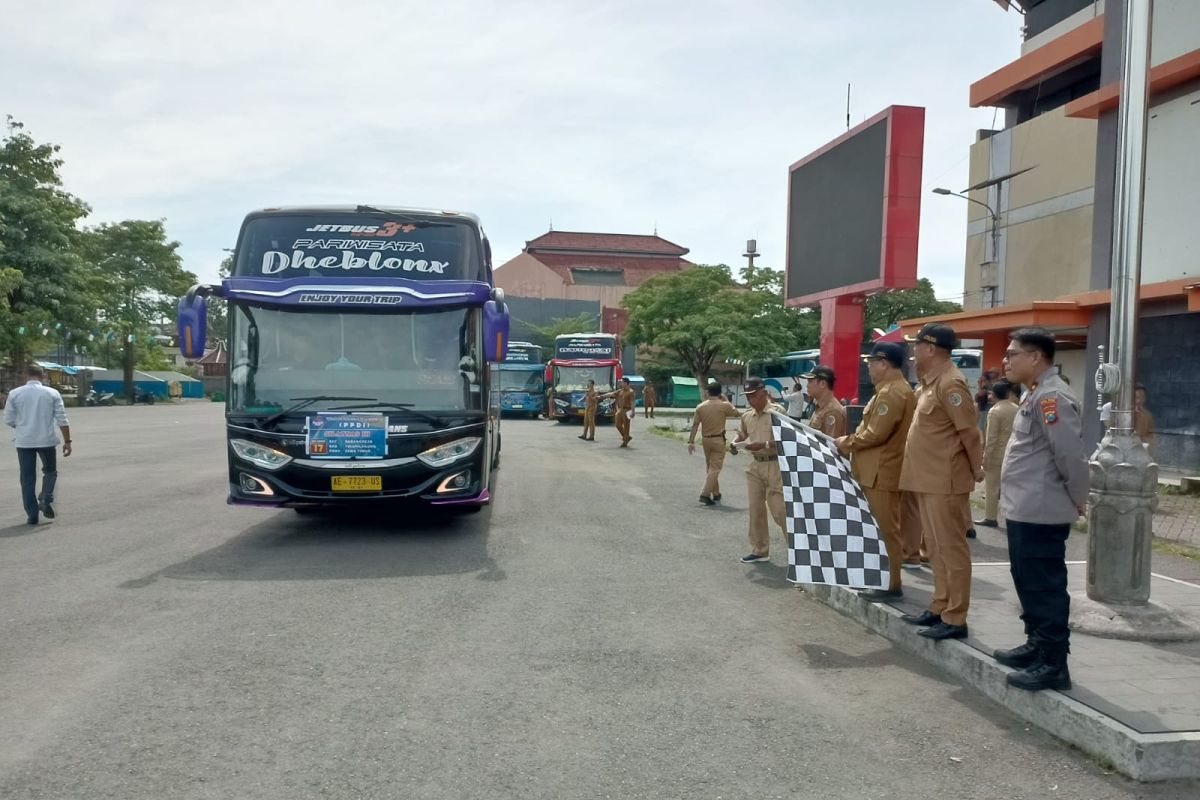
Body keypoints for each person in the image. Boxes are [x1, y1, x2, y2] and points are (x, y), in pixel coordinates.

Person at [994, 327, 1088, 691]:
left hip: (1042, 508)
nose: (1006, 360)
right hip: (1025, 507)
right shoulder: (1036, 394)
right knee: (1027, 581)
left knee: (1044, 585)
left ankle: (1053, 663)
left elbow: (1069, 455)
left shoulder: (1052, 398)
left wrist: (1080, 496)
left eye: (1012, 353)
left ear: (1035, 357)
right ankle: (1036, 644)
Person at [898, 324, 983, 640]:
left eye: (916, 345)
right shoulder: (931, 384)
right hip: (927, 479)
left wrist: (977, 470)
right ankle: (940, 606)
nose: (913, 351)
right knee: (934, 548)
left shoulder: (950, 385)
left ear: (930, 348)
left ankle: (956, 617)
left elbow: (970, 434)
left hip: (944, 481)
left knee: (951, 550)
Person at [835, 342, 916, 600]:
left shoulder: (891, 393)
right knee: (879, 528)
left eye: (871, 363)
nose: (868, 368)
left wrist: (845, 443)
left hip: (883, 472)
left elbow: (875, 434)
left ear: (883, 363)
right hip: (877, 470)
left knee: (886, 529)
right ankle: (881, 577)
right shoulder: (890, 390)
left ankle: (891, 583)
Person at [4, 364, 73, 525]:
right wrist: (67, 442)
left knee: (27, 478)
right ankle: (46, 498)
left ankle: (32, 514)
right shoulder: (52, 393)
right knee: (50, 471)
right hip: (46, 440)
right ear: (43, 376)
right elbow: (62, 419)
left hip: (24, 441)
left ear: (25, 375)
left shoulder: (15, 393)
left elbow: (8, 419)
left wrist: (22, 427)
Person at [732, 377, 788, 563]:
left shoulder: (777, 413)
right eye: (747, 396)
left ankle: (797, 552)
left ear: (764, 393)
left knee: (780, 511)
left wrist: (763, 444)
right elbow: (742, 433)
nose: (750, 399)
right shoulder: (747, 415)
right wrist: (735, 442)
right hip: (755, 465)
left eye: (754, 395)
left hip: (774, 465)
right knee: (756, 509)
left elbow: (788, 441)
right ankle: (759, 549)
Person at [688, 382, 741, 505]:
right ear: (720, 393)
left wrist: (691, 441)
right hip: (718, 439)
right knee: (715, 468)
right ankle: (705, 494)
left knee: (710, 467)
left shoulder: (700, 407)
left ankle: (716, 492)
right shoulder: (724, 405)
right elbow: (737, 413)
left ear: (707, 392)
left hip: (706, 439)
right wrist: (727, 401)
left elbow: (695, 425)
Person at [976, 379, 1018, 528]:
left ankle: (990, 517)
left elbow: (991, 438)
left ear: (993, 395)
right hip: (1013, 452)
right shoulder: (1016, 408)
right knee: (1010, 488)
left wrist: (985, 459)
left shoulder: (994, 411)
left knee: (992, 488)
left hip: (997, 454)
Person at [802, 365, 847, 438]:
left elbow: (831, 445)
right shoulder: (820, 406)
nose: (807, 386)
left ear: (822, 384)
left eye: (810, 381)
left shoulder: (833, 411)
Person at [605, 377, 637, 447]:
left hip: (627, 410)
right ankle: (626, 437)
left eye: (622, 382)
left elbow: (632, 402)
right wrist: (601, 396)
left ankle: (625, 441)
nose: (621, 384)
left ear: (626, 383)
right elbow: (611, 394)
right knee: (617, 425)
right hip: (620, 409)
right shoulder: (620, 391)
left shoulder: (631, 392)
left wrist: (633, 411)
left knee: (626, 426)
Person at [1134, 385, 1156, 458]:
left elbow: (1152, 435)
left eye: (1142, 398)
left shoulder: (1148, 415)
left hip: (1143, 449)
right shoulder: (1127, 414)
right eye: (1136, 398)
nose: (1139, 401)